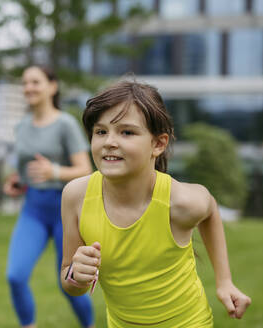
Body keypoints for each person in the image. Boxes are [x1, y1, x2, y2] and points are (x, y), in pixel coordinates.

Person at [60, 79, 251, 327]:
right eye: (101, 131)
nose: (109, 141)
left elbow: (210, 208)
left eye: (126, 132)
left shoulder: (180, 202)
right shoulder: (76, 196)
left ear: (158, 144)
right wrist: (77, 275)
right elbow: (69, 280)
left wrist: (224, 281)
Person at [4, 65, 95, 328]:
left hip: (63, 211)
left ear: (52, 87)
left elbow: (85, 170)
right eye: (24, 83)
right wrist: (17, 183)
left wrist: (53, 170)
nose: (28, 88)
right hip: (33, 208)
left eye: (35, 82)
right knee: (15, 275)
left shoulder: (65, 124)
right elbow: (24, 171)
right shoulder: (21, 126)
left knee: (68, 281)